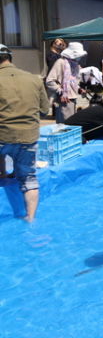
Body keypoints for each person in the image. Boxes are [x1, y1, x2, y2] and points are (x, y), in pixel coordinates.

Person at [0, 44, 50, 222]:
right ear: (10, 58)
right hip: (27, 137)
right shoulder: (34, 79)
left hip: (2, 137)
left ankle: (3, 175)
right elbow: (45, 110)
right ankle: (30, 219)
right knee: (29, 178)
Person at [46, 41, 87, 123]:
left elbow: (73, 82)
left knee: (71, 125)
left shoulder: (75, 64)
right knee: (64, 126)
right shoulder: (60, 62)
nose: (79, 57)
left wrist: (79, 89)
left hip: (73, 98)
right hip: (64, 99)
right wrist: (61, 90)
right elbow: (49, 81)